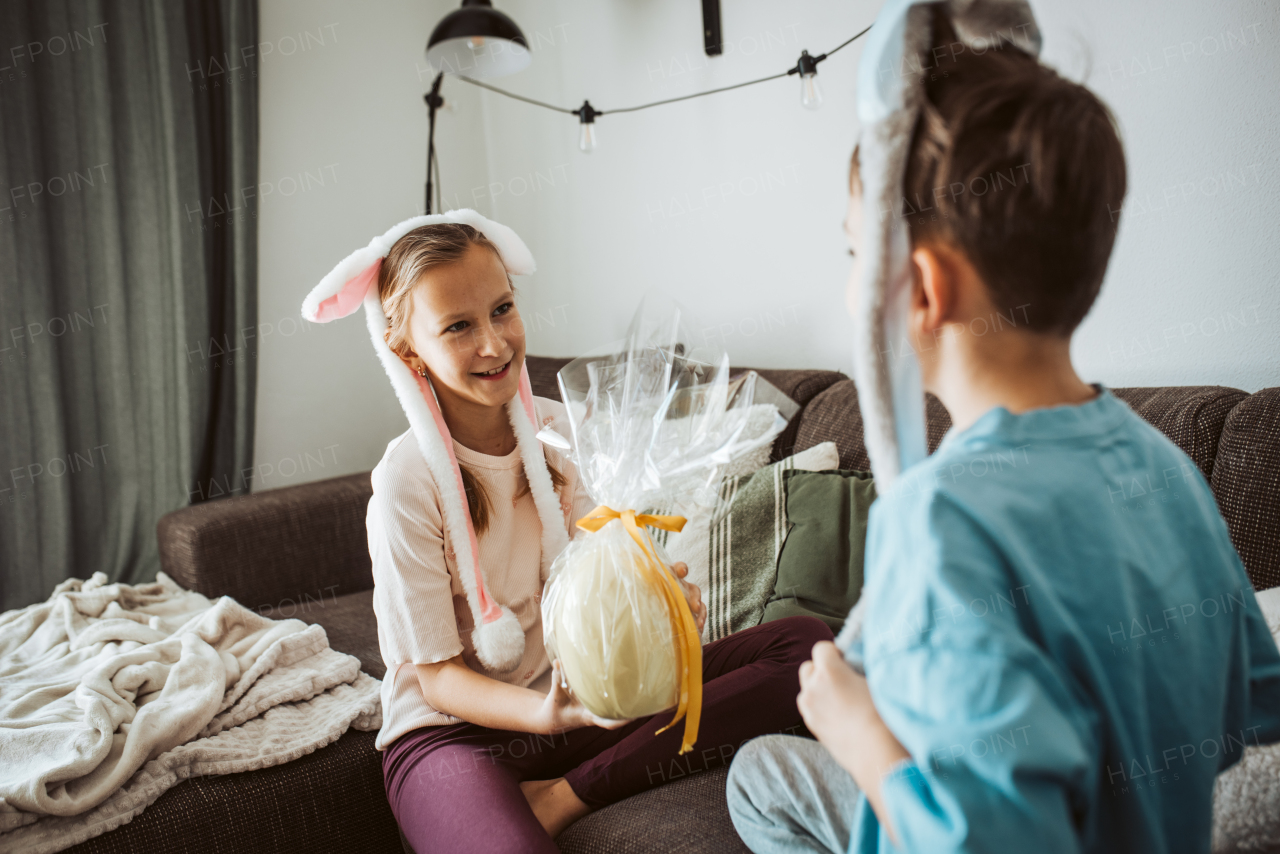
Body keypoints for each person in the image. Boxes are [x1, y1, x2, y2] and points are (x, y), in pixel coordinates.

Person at [726, 7, 1280, 854]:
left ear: (921, 286)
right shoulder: (1166, 468)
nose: (850, 289)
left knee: (759, 776)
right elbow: (1251, 702)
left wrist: (862, 737)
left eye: (852, 256)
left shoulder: (939, 520)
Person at [301, 211, 832, 854]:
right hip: (452, 733)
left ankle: (565, 793)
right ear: (409, 349)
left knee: (804, 647)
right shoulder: (406, 481)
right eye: (459, 327)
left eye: (502, 309)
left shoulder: (565, 432)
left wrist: (659, 609)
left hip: (581, 702)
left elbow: (602, 590)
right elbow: (437, 678)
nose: (494, 343)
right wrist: (543, 715)